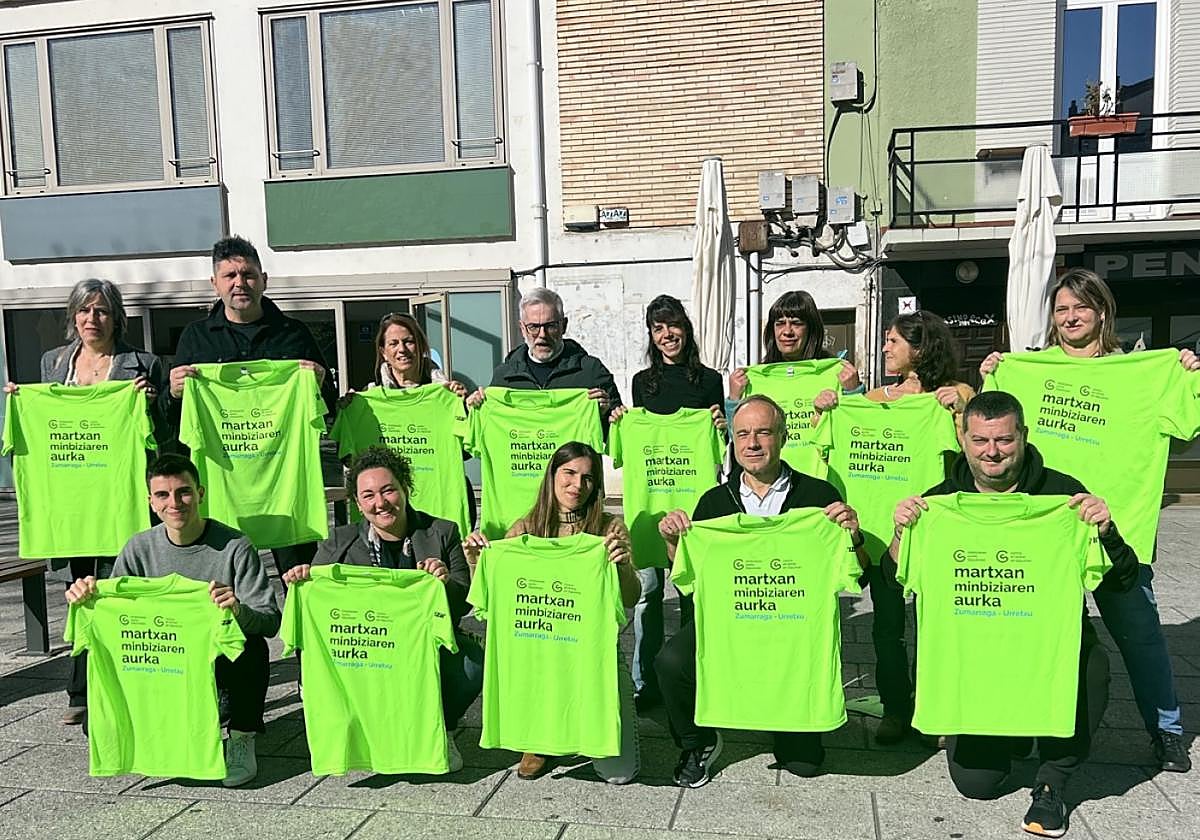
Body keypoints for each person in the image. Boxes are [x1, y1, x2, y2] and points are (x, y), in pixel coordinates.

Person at [889, 391, 1137, 837]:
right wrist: (900, 534)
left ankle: (1053, 780)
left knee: (1093, 666)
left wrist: (1106, 530)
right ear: (963, 440)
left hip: (1046, 654)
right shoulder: (937, 504)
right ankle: (1014, 732)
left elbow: (1123, 580)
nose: (992, 451)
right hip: (977, 665)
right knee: (976, 785)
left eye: (1004, 439)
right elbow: (895, 580)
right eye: (980, 440)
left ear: (1023, 436)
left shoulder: (1063, 499)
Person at [981, 268, 1196, 773]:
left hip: (1116, 530)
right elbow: (991, 434)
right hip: (1044, 529)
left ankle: (1166, 730)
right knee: (1036, 635)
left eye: (1080, 307)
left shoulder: (1142, 372)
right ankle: (1028, 724)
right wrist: (995, 374)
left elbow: (1187, 429)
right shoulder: (1027, 370)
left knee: (1140, 636)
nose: (1070, 317)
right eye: (1061, 309)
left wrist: (1187, 376)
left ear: (1102, 312)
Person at [654, 395, 868, 787]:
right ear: (733, 442)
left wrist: (852, 536)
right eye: (743, 434)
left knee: (804, 764)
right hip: (731, 623)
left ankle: (782, 717)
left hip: (793, 633)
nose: (752, 443)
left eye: (763, 433)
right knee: (671, 661)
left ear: (783, 437)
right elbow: (690, 581)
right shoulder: (713, 502)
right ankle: (697, 742)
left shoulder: (819, 498)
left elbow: (859, 576)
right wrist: (672, 542)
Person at [65, 453, 281, 787]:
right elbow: (114, 615)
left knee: (250, 646)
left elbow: (269, 621)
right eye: (163, 495)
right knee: (91, 725)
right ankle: (166, 727)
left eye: (184, 492)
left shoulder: (235, 546)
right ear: (151, 502)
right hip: (161, 661)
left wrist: (238, 609)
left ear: (200, 493)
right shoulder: (138, 549)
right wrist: (87, 598)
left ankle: (241, 736)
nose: (174, 503)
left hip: (214, 662)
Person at [4, 278, 164, 725]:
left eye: (102, 310)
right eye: (84, 310)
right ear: (73, 317)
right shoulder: (53, 362)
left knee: (117, 591)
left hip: (119, 498)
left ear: (117, 318)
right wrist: (21, 404)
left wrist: (151, 405)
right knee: (79, 593)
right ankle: (80, 689)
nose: (92, 319)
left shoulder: (143, 364)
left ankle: (118, 685)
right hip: (71, 503)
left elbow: (163, 438)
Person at [813, 310, 975, 745]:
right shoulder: (869, 400)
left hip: (930, 529)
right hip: (876, 531)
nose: (884, 348)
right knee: (887, 629)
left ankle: (934, 709)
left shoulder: (954, 395)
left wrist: (959, 413)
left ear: (921, 349)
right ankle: (896, 708)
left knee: (935, 626)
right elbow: (819, 446)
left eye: (893, 341)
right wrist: (826, 409)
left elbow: (977, 456)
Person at [282, 445, 481, 772]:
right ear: (357, 503)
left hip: (422, 645)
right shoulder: (339, 542)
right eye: (369, 495)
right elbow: (316, 613)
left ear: (405, 488)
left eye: (388, 490)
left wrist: (443, 582)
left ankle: (441, 728)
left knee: (472, 665)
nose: (381, 502)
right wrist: (304, 580)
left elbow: (462, 605)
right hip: (370, 644)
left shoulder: (441, 532)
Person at [463, 441, 641, 783]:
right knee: (543, 684)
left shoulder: (609, 529)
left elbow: (631, 599)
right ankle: (541, 740)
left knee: (619, 774)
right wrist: (476, 562)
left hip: (593, 655)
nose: (577, 485)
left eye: (588, 478)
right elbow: (491, 602)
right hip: (539, 652)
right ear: (552, 475)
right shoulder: (524, 529)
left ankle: (584, 727)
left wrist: (621, 567)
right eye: (569, 473)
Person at [163, 235, 336, 577]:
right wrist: (174, 393)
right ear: (214, 283)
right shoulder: (196, 338)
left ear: (263, 280)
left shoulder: (293, 334)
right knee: (220, 586)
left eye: (248, 274)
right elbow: (174, 423)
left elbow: (328, 408)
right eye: (230, 275)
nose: (240, 283)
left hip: (287, 492)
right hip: (222, 492)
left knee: (301, 582)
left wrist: (319, 384)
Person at [608, 294, 725, 712]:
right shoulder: (643, 383)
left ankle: (694, 674)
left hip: (695, 509)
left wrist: (720, 426)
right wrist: (621, 422)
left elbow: (720, 446)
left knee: (694, 592)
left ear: (686, 328)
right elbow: (640, 441)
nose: (667, 334)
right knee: (649, 594)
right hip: (650, 507)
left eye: (673, 325)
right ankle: (646, 682)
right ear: (651, 335)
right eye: (658, 328)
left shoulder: (709, 380)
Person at [466, 287, 622, 430]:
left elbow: (617, 436)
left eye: (550, 326)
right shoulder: (505, 376)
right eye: (533, 327)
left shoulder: (590, 371)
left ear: (564, 326)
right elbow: (486, 432)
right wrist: (473, 410)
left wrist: (604, 414)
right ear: (522, 329)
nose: (542, 335)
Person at [727, 289, 862, 405]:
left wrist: (853, 392)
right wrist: (734, 400)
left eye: (796, 323)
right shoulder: (753, 379)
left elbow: (859, 423)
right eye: (780, 323)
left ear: (811, 329)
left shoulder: (837, 374)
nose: (787, 331)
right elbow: (738, 427)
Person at [366, 313, 466, 395]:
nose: (402, 349)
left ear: (421, 346)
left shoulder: (447, 392)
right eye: (393, 343)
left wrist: (466, 403)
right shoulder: (370, 397)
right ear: (383, 353)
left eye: (409, 342)